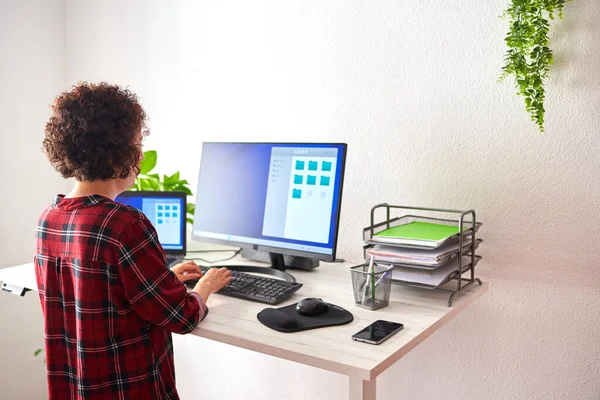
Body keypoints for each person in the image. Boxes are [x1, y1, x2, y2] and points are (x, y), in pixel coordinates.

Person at [35, 82, 231, 399]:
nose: (141, 153)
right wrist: (205, 286)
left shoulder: (48, 219)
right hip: (131, 389)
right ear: (117, 152)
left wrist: (164, 279)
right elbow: (180, 317)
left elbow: (105, 294)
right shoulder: (125, 224)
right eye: (137, 143)